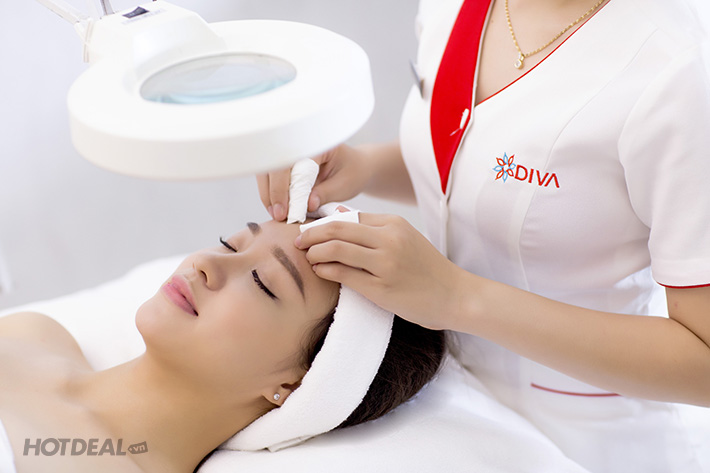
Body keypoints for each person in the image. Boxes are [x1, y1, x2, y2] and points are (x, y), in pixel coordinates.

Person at [257, 0, 710, 471]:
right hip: (452, 402)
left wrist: (458, 297)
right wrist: (364, 167)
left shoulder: (679, 72)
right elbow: (485, 170)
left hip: (593, 441)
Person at [0, 219, 445, 473]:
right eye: (230, 245)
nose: (205, 263)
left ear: (298, 385)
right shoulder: (34, 333)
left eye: (263, 283)